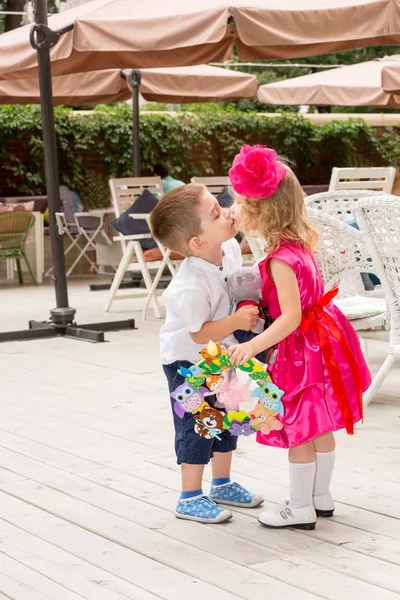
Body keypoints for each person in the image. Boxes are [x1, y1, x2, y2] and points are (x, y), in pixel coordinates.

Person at [227, 144, 371, 530]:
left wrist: (253, 345)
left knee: (299, 431)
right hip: (324, 341)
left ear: (260, 210)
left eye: (239, 202)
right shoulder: (298, 247)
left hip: (301, 351)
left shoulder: (279, 259)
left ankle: (299, 507)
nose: (235, 209)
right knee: (320, 425)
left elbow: (290, 317)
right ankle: (321, 497)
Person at [150, 183, 263, 524]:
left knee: (229, 418)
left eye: (223, 204)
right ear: (198, 243)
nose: (228, 211)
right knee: (199, 425)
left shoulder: (227, 246)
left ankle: (222, 484)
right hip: (188, 363)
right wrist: (236, 320)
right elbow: (198, 332)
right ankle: (189, 496)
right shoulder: (190, 286)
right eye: (217, 213)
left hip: (222, 355)